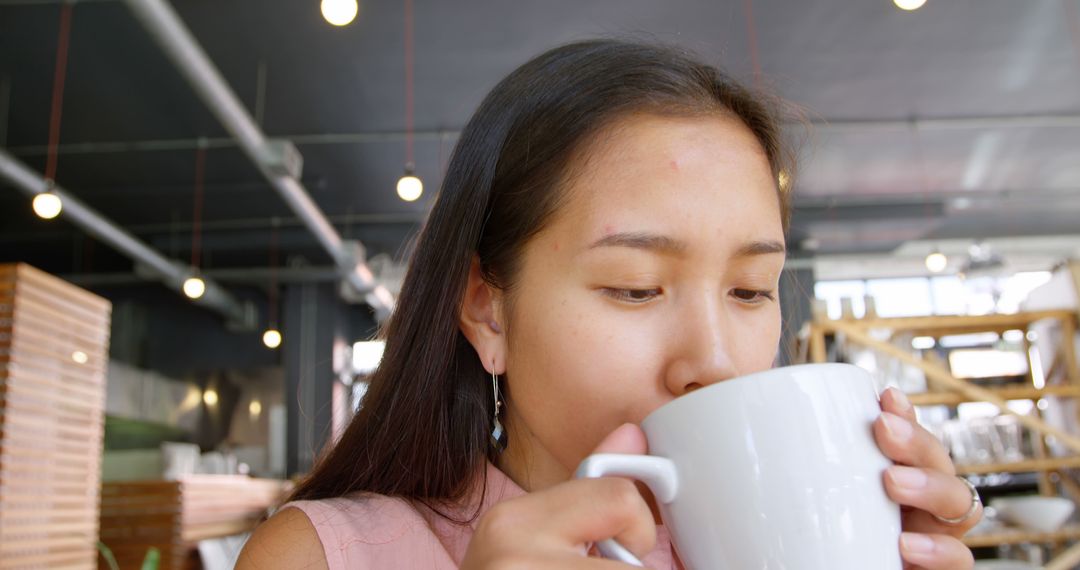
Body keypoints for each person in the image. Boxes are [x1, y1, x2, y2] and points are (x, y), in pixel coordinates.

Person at [237, 39, 980, 569]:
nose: (716, 362)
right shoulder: (320, 555)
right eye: (634, 287)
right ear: (487, 310)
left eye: (751, 291)